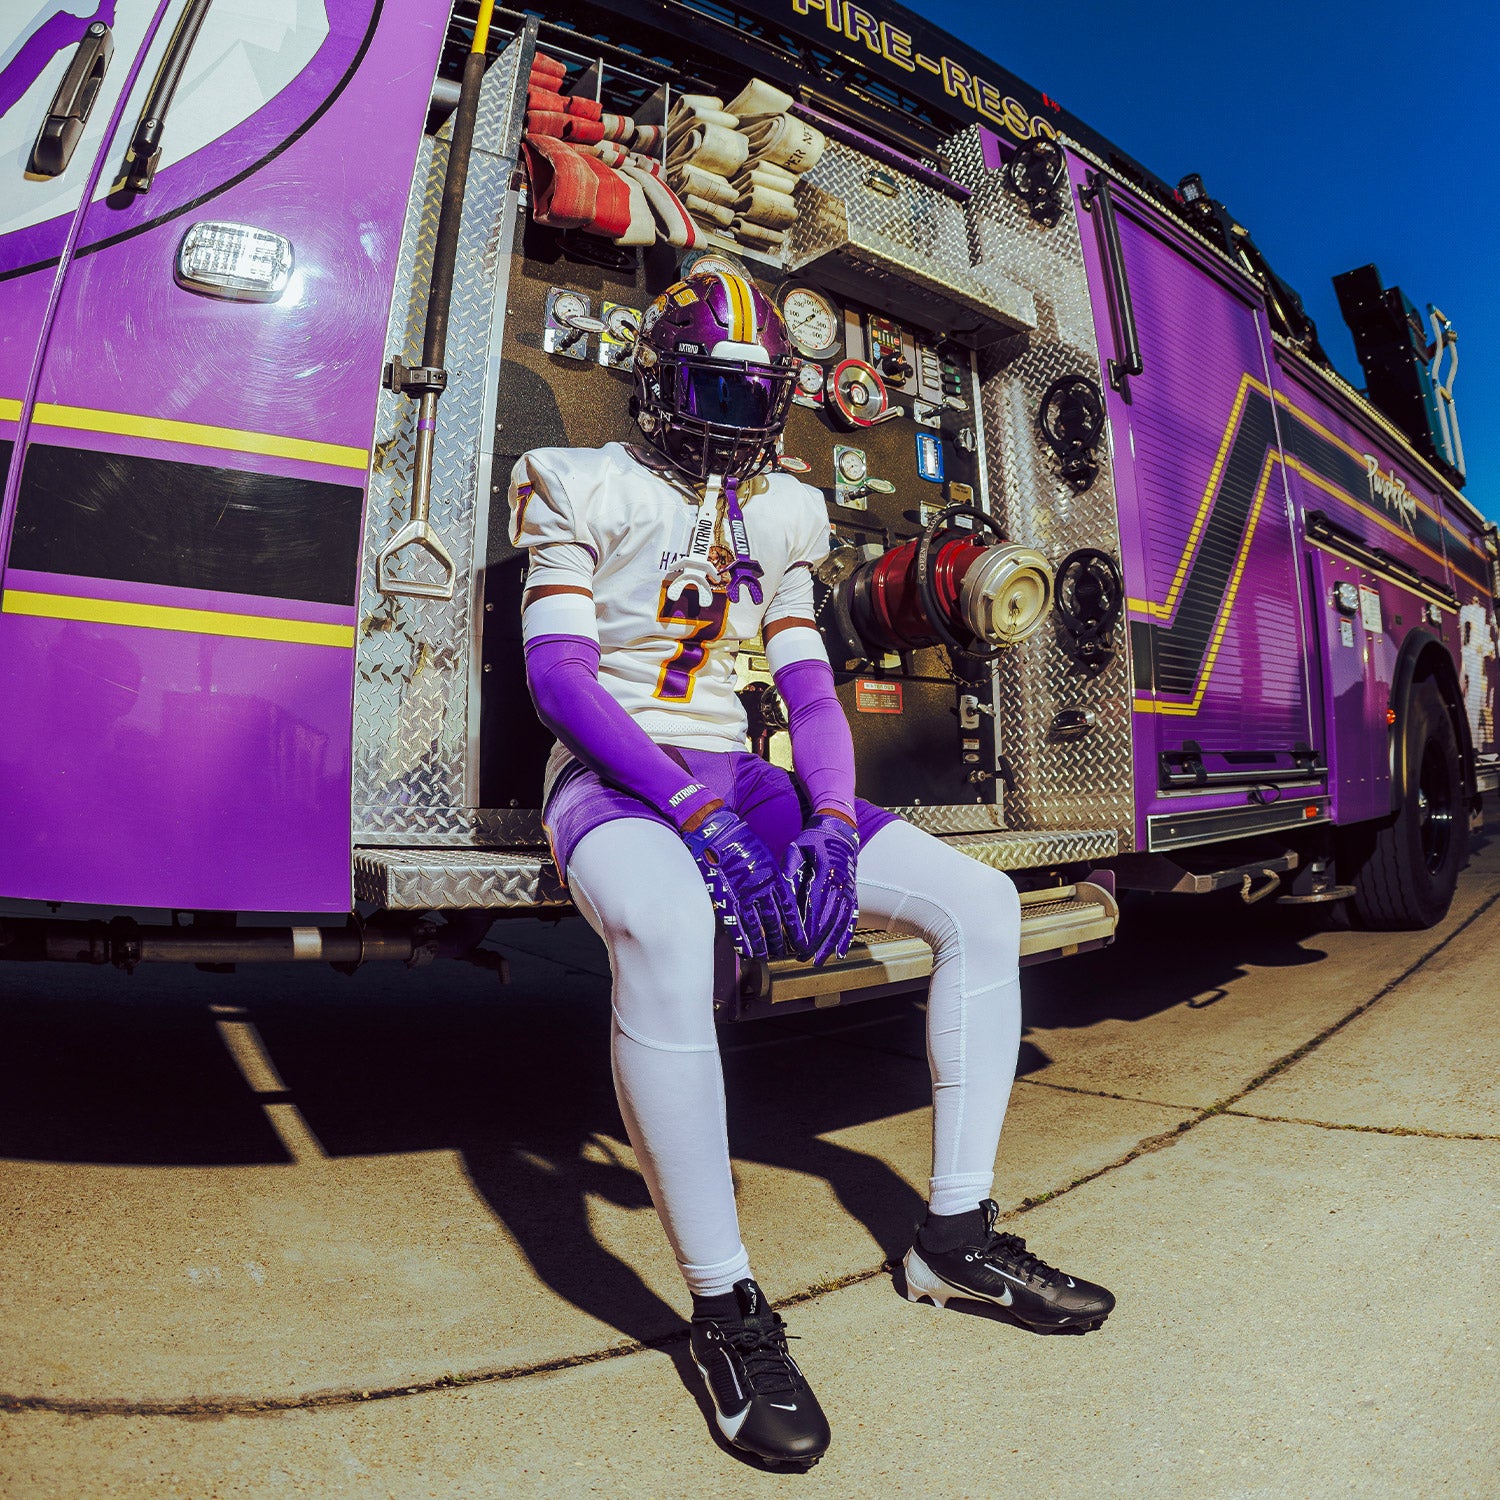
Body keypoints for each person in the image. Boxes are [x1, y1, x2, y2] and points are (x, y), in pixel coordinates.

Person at [509, 271, 1113, 1470]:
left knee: (982, 905)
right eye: (710, 390)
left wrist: (830, 817)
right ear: (656, 382)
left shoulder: (785, 508)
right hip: (619, 775)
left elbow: (809, 691)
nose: (732, 420)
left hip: (739, 774)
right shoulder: (577, 479)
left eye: (752, 396)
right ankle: (725, 1310)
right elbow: (561, 680)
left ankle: (954, 1240)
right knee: (669, 932)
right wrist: (688, 809)